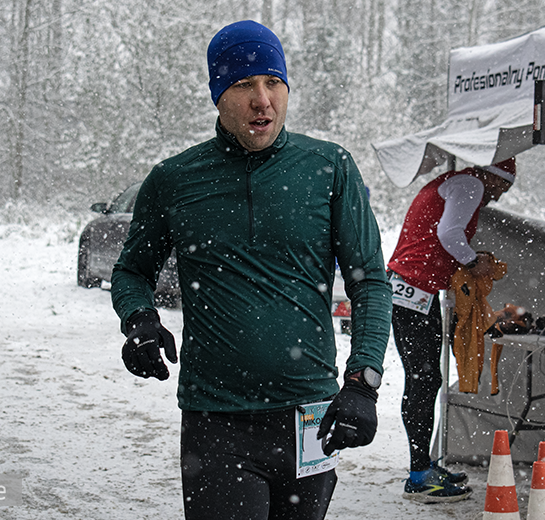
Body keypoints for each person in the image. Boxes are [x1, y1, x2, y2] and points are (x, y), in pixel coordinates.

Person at [110, 20, 392, 520]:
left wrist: (363, 382)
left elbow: (369, 280)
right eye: (243, 85)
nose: (262, 99)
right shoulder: (174, 180)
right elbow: (132, 271)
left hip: (310, 417)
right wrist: (139, 321)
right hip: (217, 421)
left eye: (272, 82)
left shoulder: (329, 167)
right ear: (218, 95)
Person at [386, 157, 516, 503]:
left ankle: (423, 463)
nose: (501, 196)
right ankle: (418, 474)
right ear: (494, 176)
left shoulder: (459, 182)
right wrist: (474, 262)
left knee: (425, 379)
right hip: (413, 290)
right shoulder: (471, 184)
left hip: (415, 290)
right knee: (423, 379)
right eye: (505, 186)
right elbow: (449, 233)